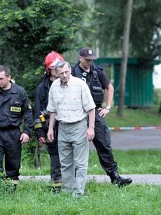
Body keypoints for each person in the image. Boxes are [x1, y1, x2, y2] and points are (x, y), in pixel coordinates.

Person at [71, 47, 132, 186]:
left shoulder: (97, 72)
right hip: (78, 113)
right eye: (87, 60)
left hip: (96, 112)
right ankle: (74, 179)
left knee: (104, 145)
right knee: (76, 146)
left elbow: (109, 87)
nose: (89, 62)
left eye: (91, 60)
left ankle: (115, 177)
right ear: (80, 58)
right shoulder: (72, 73)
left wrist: (108, 107)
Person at [46, 61, 96, 196]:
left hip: (79, 126)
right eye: (61, 73)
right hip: (62, 127)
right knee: (65, 163)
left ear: (70, 70)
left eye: (67, 72)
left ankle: (78, 193)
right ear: (56, 73)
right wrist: (50, 129)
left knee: (80, 164)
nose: (65, 75)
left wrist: (91, 128)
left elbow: (91, 108)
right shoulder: (54, 87)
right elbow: (52, 110)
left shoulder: (80, 85)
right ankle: (67, 191)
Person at [0, 65, 33, 189]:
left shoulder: (19, 92)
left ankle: (11, 191)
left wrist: (27, 132)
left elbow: (28, 113)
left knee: (13, 164)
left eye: (1, 78)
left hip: (13, 133)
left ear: (9, 77)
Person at [34, 51, 65, 191]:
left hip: (68, 125)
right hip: (50, 128)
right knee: (55, 156)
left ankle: (72, 184)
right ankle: (57, 185)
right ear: (48, 69)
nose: (57, 70)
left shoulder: (70, 84)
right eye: (54, 67)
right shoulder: (42, 89)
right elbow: (38, 113)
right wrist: (40, 132)